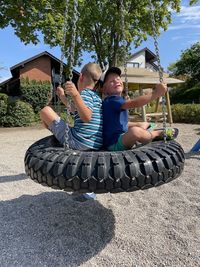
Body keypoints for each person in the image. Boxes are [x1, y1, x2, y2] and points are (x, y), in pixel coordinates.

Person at [40, 62, 103, 201]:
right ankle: (88, 190)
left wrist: (75, 94)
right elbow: (75, 110)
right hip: (94, 142)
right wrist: (63, 96)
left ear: (80, 77)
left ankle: (56, 135)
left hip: (78, 141)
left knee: (45, 111)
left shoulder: (84, 94)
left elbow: (86, 117)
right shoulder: (95, 96)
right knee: (54, 119)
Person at [102, 67, 178, 151]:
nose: (116, 81)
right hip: (114, 143)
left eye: (118, 78)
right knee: (135, 132)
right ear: (105, 89)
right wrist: (156, 93)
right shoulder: (112, 100)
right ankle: (155, 134)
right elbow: (135, 103)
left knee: (141, 125)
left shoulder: (115, 101)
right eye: (112, 81)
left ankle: (144, 133)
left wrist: (138, 124)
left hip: (120, 137)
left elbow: (120, 122)